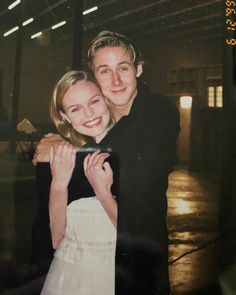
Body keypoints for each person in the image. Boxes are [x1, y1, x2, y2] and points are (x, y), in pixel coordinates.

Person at [33, 30, 180, 295]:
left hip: (137, 266)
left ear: (138, 69)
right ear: (95, 77)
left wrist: (57, 155)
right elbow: (54, 235)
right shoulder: (92, 127)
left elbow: (124, 168)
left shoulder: (158, 113)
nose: (115, 80)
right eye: (104, 70)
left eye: (122, 68)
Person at [35, 70, 118, 295]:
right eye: (75, 109)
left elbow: (138, 233)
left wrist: (103, 192)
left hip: (115, 273)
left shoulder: (128, 153)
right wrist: (59, 184)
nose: (89, 113)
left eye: (94, 101)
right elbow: (55, 239)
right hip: (70, 275)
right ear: (64, 117)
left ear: (106, 100)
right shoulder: (59, 157)